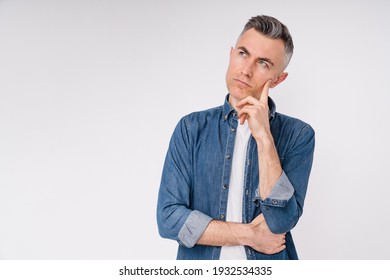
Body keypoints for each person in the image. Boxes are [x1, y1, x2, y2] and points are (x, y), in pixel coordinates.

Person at [156, 15, 315, 260]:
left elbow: (281, 220)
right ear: (231, 54)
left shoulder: (299, 135)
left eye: (263, 63)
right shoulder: (191, 128)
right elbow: (168, 219)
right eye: (243, 53)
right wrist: (249, 234)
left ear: (278, 79)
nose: (246, 70)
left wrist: (264, 138)